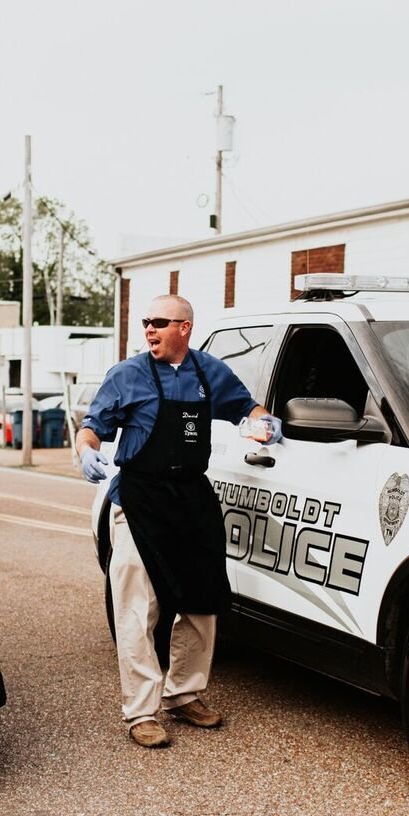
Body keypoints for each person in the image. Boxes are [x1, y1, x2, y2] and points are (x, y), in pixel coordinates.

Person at [76, 294, 281, 748]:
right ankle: (141, 712)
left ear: (184, 328)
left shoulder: (210, 372)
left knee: (202, 601)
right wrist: (86, 449)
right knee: (137, 608)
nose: (149, 330)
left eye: (159, 323)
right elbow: (91, 428)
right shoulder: (126, 375)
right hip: (139, 497)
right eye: (146, 322)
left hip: (191, 495)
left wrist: (264, 423)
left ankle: (184, 694)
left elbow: (248, 408)